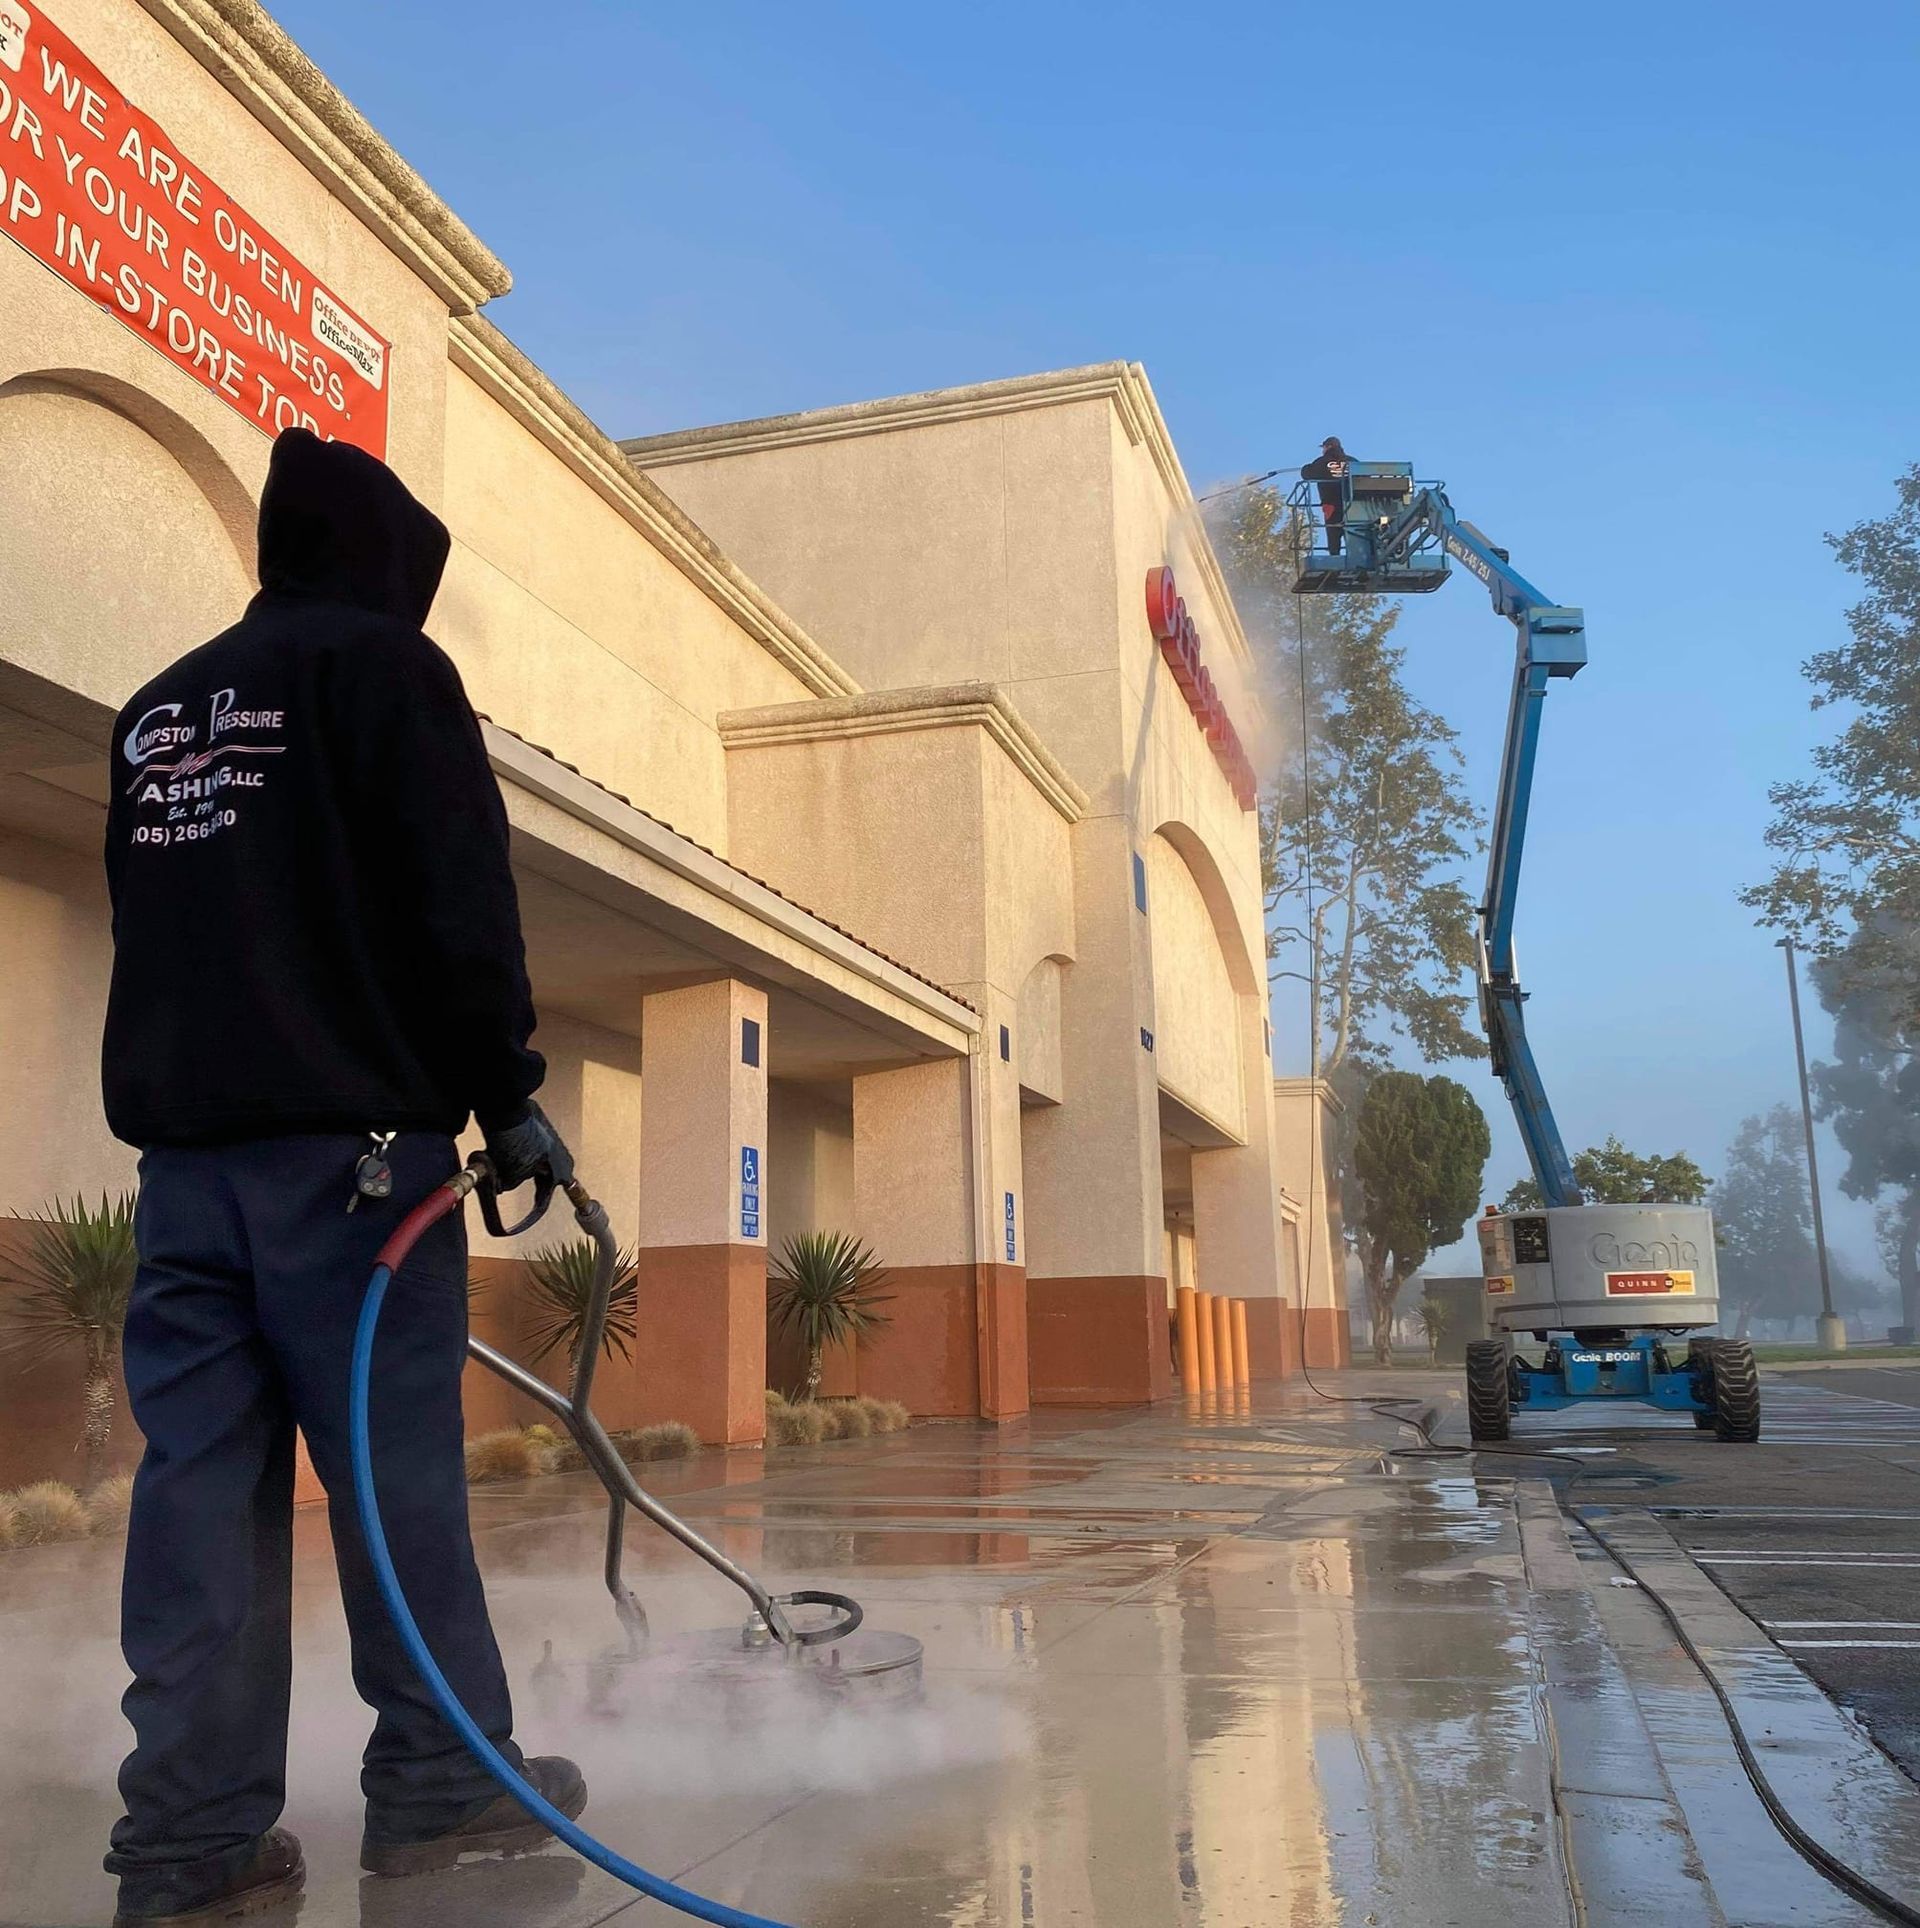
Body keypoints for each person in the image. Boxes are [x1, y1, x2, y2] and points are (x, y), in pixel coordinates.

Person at [99, 427, 586, 1926]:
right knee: (394, 1491)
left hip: (184, 1188)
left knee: (197, 1505)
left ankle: (188, 1840)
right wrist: (505, 1096)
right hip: (356, 1183)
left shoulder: (155, 712)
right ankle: (442, 1791)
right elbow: (457, 906)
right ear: (376, 565)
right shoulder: (385, 677)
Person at [1301, 435, 1352, 555]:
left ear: (1328, 447)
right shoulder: (1352, 462)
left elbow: (1307, 473)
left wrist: (1305, 468)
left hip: (1331, 505)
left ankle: (1335, 557)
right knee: (1355, 532)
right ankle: (1357, 556)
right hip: (1353, 505)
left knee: (1333, 534)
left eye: (1323, 447)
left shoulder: (1322, 462)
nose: (1322, 450)